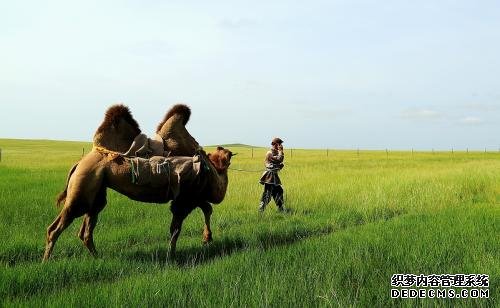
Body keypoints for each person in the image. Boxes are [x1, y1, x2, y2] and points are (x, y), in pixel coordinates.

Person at [259, 137, 285, 212]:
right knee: (267, 193)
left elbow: (276, 163)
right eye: (279, 144)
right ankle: (261, 209)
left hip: (273, 176)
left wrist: (279, 166)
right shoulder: (269, 153)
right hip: (269, 176)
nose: (280, 145)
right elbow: (279, 160)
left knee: (279, 191)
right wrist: (281, 151)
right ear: (275, 144)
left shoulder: (275, 153)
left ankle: (280, 208)